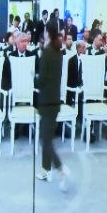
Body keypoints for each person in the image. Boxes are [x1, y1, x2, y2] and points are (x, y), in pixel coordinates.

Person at [34, 30, 68, 189]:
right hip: (54, 103)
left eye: (46, 35)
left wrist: (34, 78)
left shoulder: (46, 53)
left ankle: (60, 168)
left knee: (45, 140)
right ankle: (46, 171)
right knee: (46, 138)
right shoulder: (58, 53)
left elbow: (41, 81)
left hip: (46, 103)